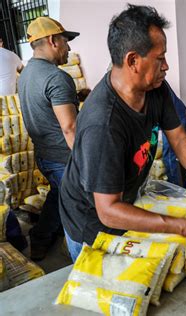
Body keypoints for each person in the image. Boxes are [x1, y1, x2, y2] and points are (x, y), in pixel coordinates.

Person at [59, 5, 186, 263]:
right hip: (91, 221)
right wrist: (185, 226)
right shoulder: (103, 124)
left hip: (124, 203)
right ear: (133, 61)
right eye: (160, 57)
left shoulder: (155, 88)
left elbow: (178, 137)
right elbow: (108, 211)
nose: (166, 66)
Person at [18, 17, 79, 261]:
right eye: (66, 41)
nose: (69, 48)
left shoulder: (26, 73)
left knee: (58, 196)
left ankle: (40, 238)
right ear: (53, 41)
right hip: (64, 157)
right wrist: (83, 162)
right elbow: (70, 127)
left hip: (44, 154)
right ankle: (81, 263)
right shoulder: (56, 78)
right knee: (76, 211)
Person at [161, 82, 186, 186]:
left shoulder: (154, 82)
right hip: (169, 113)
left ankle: (174, 188)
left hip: (176, 115)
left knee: (170, 154)